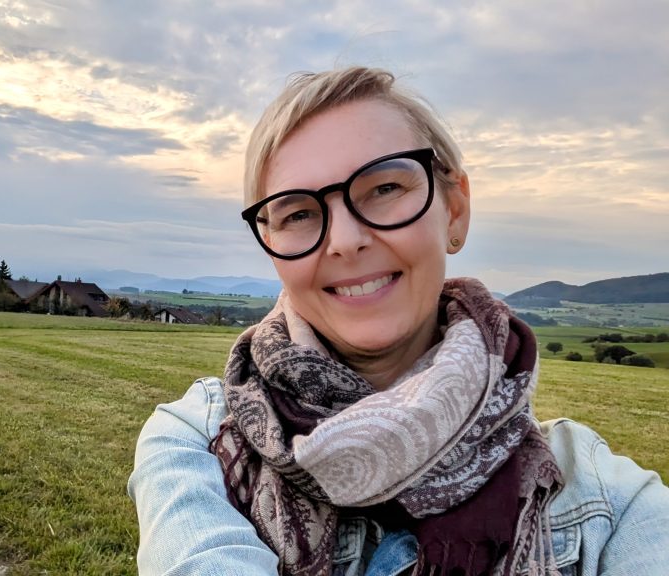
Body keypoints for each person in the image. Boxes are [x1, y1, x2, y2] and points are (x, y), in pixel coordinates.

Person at [128, 67, 669, 576]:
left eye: (384, 189)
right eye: (297, 213)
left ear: (453, 210)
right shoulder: (195, 439)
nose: (344, 241)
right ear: (271, 246)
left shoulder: (604, 498)